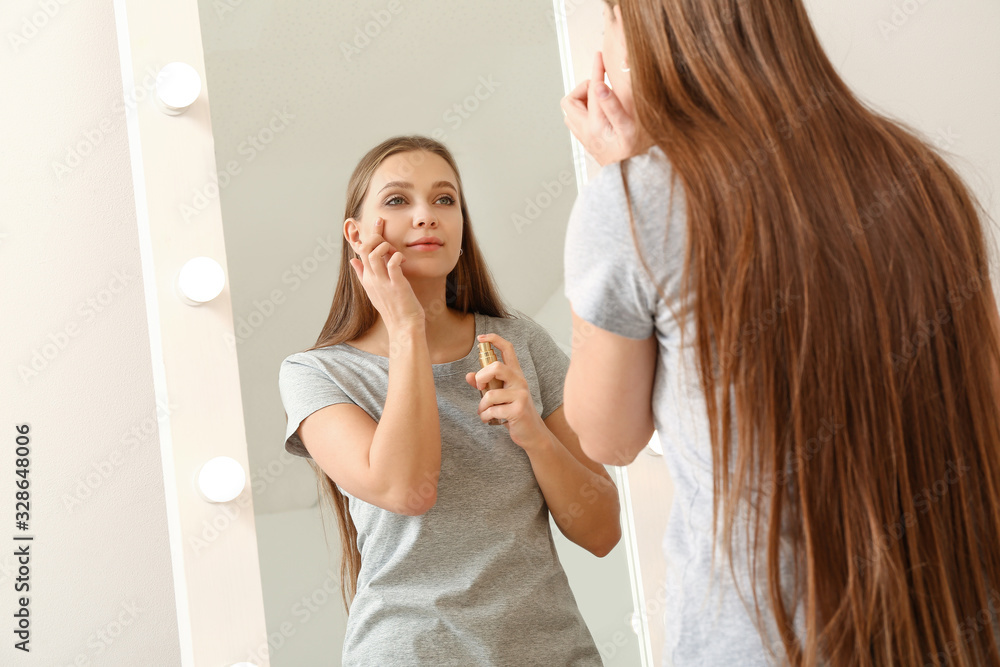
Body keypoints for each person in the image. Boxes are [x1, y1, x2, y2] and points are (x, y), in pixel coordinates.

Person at [560, 1, 1000, 666]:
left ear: (652, 33)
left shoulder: (636, 199)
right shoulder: (923, 177)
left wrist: (620, 187)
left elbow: (605, 435)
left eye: (612, 20)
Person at [277, 135, 619, 666]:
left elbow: (602, 531)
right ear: (357, 235)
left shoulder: (521, 344)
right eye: (397, 201)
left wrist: (534, 435)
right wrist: (408, 327)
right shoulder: (319, 374)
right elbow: (407, 489)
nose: (426, 216)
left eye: (444, 199)